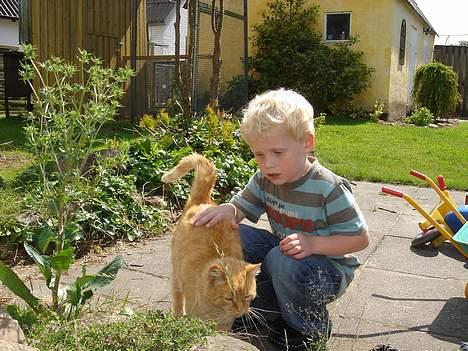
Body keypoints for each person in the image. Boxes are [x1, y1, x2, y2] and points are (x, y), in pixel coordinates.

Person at [192, 88, 369, 350]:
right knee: (234, 237)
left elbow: (360, 239)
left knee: (280, 260)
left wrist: (313, 244)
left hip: (327, 271)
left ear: (307, 143)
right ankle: (263, 310)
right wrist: (229, 210)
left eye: (277, 153)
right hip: (287, 254)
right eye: (259, 154)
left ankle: (308, 327)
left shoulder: (328, 188)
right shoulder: (265, 179)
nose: (268, 164)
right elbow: (242, 206)